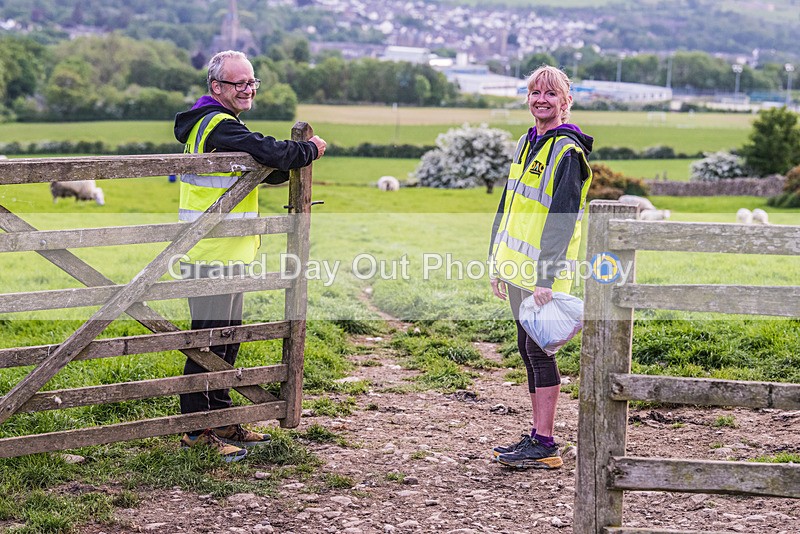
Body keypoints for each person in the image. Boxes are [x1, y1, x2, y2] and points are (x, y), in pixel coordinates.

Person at [173, 50, 327, 461]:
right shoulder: (217, 125)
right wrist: (308, 150)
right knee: (207, 342)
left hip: (227, 250)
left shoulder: (221, 126)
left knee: (226, 340)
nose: (248, 89)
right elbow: (272, 152)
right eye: (239, 83)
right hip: (210, 252)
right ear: (216, 88)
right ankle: (195, 431)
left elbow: (260, 165)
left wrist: (287, 161)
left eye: (252, 81)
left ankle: (221, 420)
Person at [487, 65, 593, 469]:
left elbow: (560, 220)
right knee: (526, 349)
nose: (541, 100)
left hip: (543, 275)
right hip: (516, 270)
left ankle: (546, 442)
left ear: (566, 101)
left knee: (539, 349)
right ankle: (537, 435)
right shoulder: (526, 142)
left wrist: (545, 279)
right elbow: (511, 206)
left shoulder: (568, 152)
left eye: (550, 94)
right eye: (535, 93)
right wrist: (498, 263)